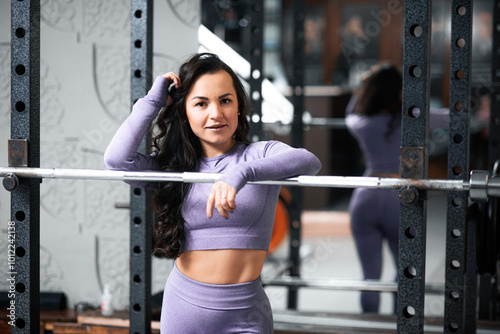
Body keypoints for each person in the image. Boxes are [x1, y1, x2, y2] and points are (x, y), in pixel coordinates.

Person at [104, 53, 322, 333]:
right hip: (184, 309)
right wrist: (153, 101)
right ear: (185, 112)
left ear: (239, 107)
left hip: (246, 315)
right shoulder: (175, 168)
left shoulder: (260, 155)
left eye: (225, 100)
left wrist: (242, 173)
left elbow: (309, 161)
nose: (216, 113)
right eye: (201, 103)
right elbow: (117, 160)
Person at [345, 64, 402, 314]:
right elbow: (449, 116)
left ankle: (369, 327)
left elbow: (349, 112)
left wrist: (362, 86)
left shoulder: (360, 123)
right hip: (399, 197)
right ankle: (403, 326)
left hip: (365, 195)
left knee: (370, 276)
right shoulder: (412, 121)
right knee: (406, 270)